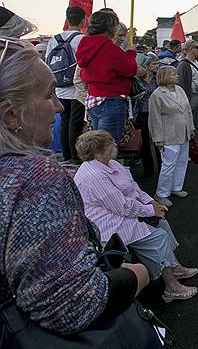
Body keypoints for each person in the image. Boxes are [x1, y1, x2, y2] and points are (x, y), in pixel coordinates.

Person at [0, 38, 150, 336]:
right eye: (48, 94)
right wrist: (136, 276)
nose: (58, 106)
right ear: (10, 114)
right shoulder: (34, 178)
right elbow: (72, 304)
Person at [73, 130, 198, 303]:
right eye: (111, 144)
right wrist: (150, 210)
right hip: (107, 225)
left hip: (118, 215)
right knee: (158, 238)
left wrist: (152, 202)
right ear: (98, 152)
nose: (116, 146)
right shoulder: (93, 176)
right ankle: (171, 288)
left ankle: (173, 266)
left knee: (162, 224)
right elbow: (122, 207)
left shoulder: (109, 164)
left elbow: (133, 188)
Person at [76, 9, 137, 144]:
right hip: (111, 100)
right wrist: (131, 54)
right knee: (107, 147)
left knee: (98, 145)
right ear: (111, 28)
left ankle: (95, 165)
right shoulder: (109, 48)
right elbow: (130, 69)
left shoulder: (85, 44)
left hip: (93, 100)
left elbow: (81, 73)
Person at [148, 66, 194, 207]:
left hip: (184, 132)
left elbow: (188, 111)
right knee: (168, 165)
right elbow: (154, 118)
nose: (177, 76)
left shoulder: (180, 90)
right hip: (168, 135)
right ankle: (161, 194)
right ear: (165, 76)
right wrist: (158, 138)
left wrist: (191, 128)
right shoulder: (157, 94)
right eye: (173, 74)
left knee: (181, 162)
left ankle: (176, 187)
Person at [46, 5, 86, 162]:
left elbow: (48, 62)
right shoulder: (82, 39)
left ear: (67, 19)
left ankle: (66, 155)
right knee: (75, 123)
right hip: (77, 88)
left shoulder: (53, 40)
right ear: (83, 21)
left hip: (60, 87)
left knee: (65, 122)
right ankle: (75, 156)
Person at [176, 40, 198, 155]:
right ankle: (188, 149)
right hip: (192, 96)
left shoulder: (197, 62)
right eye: (196, 47)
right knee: (189, 122)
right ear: (190, 49)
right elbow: (182, 84)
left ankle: (196, 146)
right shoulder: (183, 64)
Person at [134, 52, 159, 175]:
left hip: (156, 113)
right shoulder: (137, 80)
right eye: (154, 64)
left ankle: (161, 167)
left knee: (158, 140)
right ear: (147, 65)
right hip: (142, 112)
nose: (156, 66)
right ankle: (148, 168)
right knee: (144, 142)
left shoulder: (157, 79)